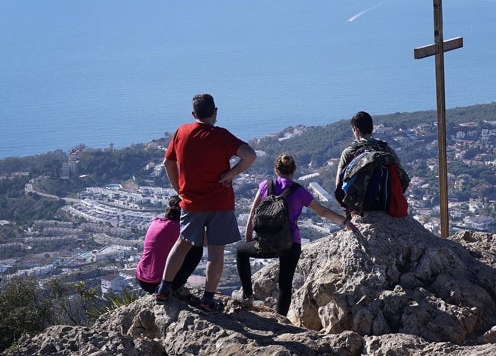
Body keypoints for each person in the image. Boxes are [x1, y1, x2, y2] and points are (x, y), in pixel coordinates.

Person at [155, 93, 256, 312]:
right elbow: (250, 155)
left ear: (194, 114)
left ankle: (164, 288)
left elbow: (167, 162)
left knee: (182, 244)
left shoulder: (182, 132)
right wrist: (231, 173)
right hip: (220, 201)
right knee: (216, 253)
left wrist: (179, 190)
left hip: (191, 201)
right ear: (215, 112)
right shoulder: (221, 136)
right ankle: (208, 299)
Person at [236, 153, 357, 315]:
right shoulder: (299, 192)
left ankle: (247, 296)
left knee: (240, 251)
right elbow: (322, 211)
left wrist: (249, 234)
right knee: (284, 285)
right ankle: (280, 320)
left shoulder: (266, 185)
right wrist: (344, 222)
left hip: (266, 242)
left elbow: (253, 211)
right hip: (290, 243)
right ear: (294, 170)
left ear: (276, 170)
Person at [334, 111, 410, 212]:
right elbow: (402, 177)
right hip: (385, 204)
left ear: (356, 130)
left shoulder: (349, 152)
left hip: (358, 207)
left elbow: (339, 183)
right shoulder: (386, 149)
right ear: (372, 128)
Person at [135, 195, 203, 294]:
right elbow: (206, 241)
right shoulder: (181, 229)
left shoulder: (155, 222)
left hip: (141, 278)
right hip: (158, 283)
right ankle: (174, 287)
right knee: (197, 249)